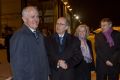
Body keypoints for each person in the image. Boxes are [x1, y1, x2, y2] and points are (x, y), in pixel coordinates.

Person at [10, 6, 50, 80]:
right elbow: (17, 65)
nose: (36, 19)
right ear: (24, 19)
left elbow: (44, 57)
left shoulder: (40, 35)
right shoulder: (19, 36)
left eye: (37, 16)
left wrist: (47, 74)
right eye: (32, 17)